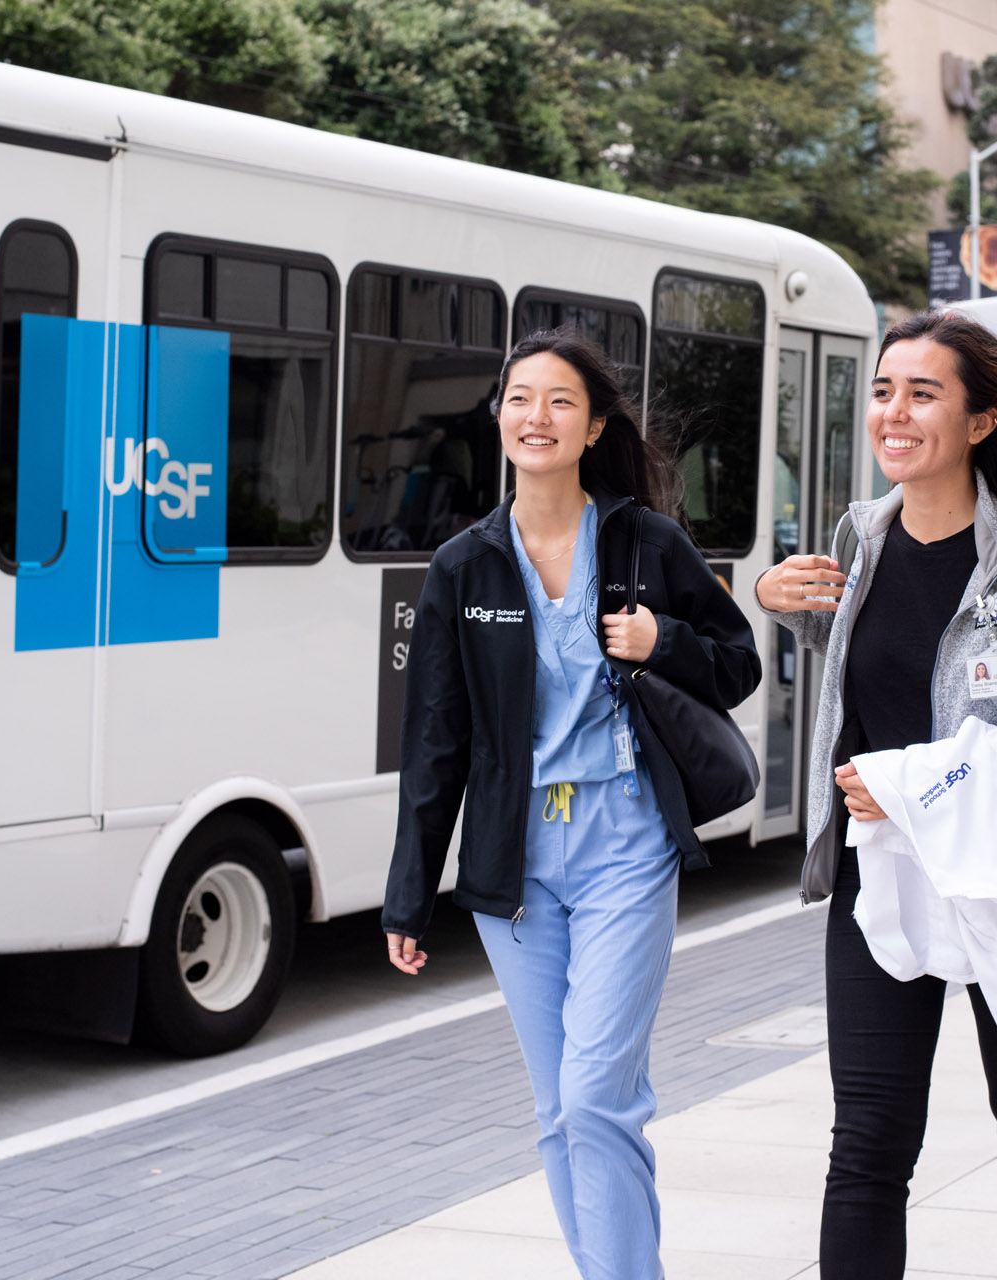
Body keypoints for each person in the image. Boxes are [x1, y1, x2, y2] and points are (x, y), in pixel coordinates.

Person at [382, 330, 760, 1280]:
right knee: (558, 1107)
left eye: (559, 402)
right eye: (519, 399)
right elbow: (435, 737)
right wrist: (408, 893)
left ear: (593, 427)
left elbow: (737, 663)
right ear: (499, 418)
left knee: (598, 1096)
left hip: (626, 839)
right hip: (513, 865)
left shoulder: (644, 542)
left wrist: (660, 638)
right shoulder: (464, 565)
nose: (535, 417)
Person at [756, 310, 997, 1279]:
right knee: (867, 1140)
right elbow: (864, 670)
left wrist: (907, 786)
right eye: (883, 390)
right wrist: (780, 605)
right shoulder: (858, 532)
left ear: (982, 420)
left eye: (923, 392)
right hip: (883, 874)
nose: (894, 412)